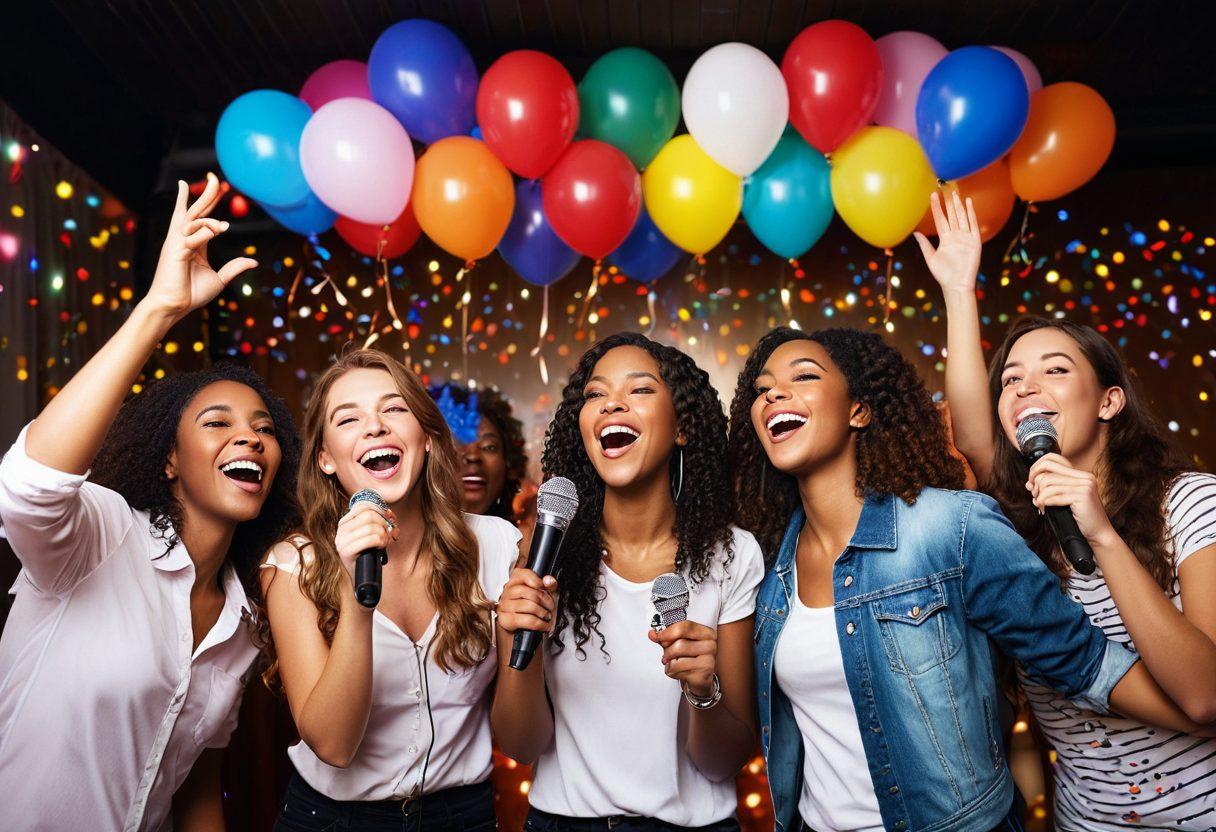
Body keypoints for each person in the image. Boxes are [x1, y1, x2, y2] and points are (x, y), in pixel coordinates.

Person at [730, 324, 1215, 832]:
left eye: (803, 376)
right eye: (762, 389)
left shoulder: (953, 527)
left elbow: (1085, 662)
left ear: (860, 409)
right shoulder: (765, 565)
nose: (775, 394)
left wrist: (1202, 720)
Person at [0, 173, 300, 831]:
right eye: (217, 422)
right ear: (169, 460)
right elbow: (27, 484)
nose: (248, 434)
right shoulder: (100, 535)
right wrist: (159, 310)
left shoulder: (246, 619)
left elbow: (192, 777)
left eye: (264, 428)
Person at [921, 189, 1216, 830]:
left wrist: (1102, 536)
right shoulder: (1011, 527)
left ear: (1109, 402)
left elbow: (1206, 696)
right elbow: (973, 435)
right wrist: (958, 290)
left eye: (1055, 370)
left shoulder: (1191, 502)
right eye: (1012, 380)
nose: (1027, 387)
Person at [493, 332, 764, 832]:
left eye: (639, 389)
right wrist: (519, 645)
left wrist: (702, 691)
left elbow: (723, 761)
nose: (612, 402)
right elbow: (519, 743)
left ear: (682, 427)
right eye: (595, 394)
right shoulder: (542, 555)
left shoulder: (732, 555)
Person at [259, 349, 520, 832]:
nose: (375, 427)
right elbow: (333, 746)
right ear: (326, 459)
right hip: (333, 820)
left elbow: (522, 734)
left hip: (463, 816)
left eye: (394, 409)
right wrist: (356, 599)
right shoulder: (293, 565)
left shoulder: (497, 545)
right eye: (348, 418)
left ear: (425, 438)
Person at [429, 382, 528, 523]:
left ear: (509, 463)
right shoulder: (400, 537)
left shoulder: (519, 540)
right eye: (456, 444)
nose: (473, 456)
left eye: (488, 447)